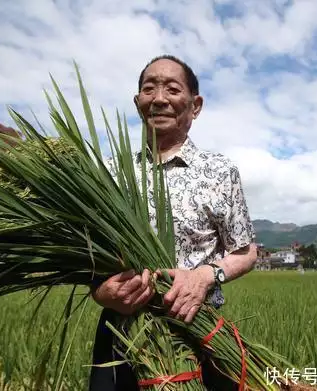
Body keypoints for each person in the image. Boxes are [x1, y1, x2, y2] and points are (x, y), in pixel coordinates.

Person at [88, 55, 258, 391]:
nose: (160, 98)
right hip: (123, 332)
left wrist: (204, 276)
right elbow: (88, 255)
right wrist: (100, 291)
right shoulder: (110, 173)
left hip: (197, 327)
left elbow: (246, 251)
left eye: (172, 89)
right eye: (148, 88)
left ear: (195, 106)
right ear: (138, 103)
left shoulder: (220, 172)